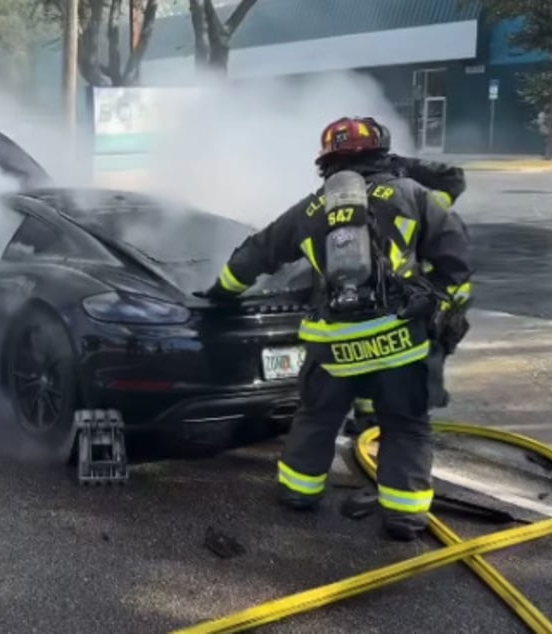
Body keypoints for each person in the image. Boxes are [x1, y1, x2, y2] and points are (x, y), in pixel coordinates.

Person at [199, 116, 473, 541]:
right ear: (382, 152)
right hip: (400, 343)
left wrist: (220, 293)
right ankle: (403, 515)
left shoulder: (311, 209)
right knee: (406, 426)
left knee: (316, 418)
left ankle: (299, 492)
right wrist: (446, 309)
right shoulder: (412, 195)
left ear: (325, 163)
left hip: (333, 346)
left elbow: (254, 255)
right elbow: (457, 261)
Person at [343, 120, 472, 434]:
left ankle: (409, 421)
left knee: (428, 345)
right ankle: (371, 420)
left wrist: (428, 209)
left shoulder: (401, 170)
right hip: (402, 279)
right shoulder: (346, 182)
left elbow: (453, 178)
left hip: (430, 277)